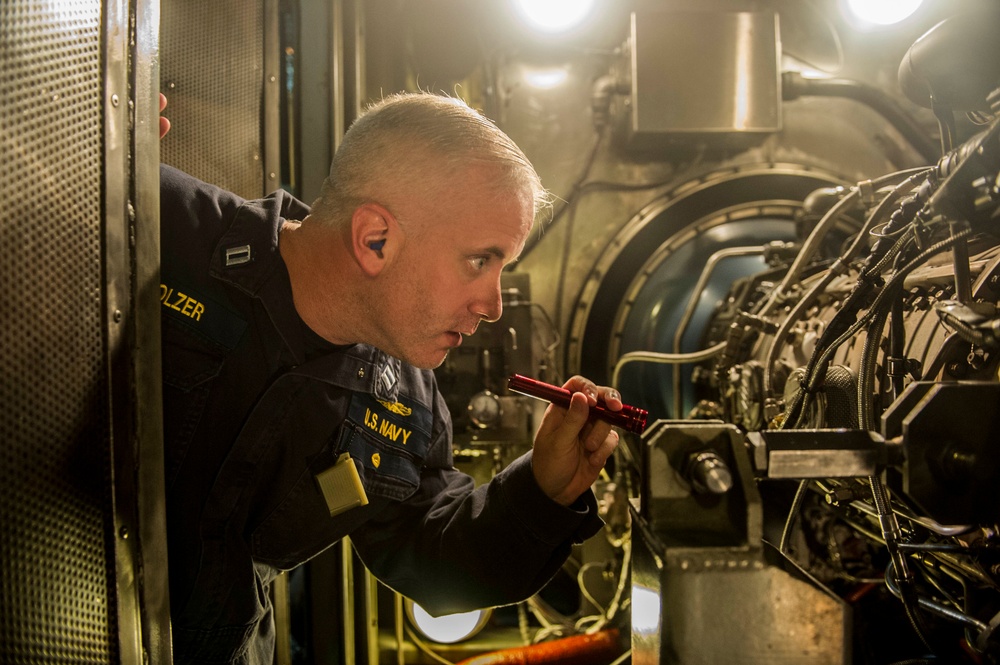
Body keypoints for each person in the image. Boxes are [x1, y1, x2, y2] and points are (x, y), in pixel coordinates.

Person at [158, 91, 621, 664]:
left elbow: (437, 557)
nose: (495, 305)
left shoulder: (406, 404)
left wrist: (544, 492)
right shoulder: (157, 224)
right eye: (481, 260)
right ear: (375, 239)